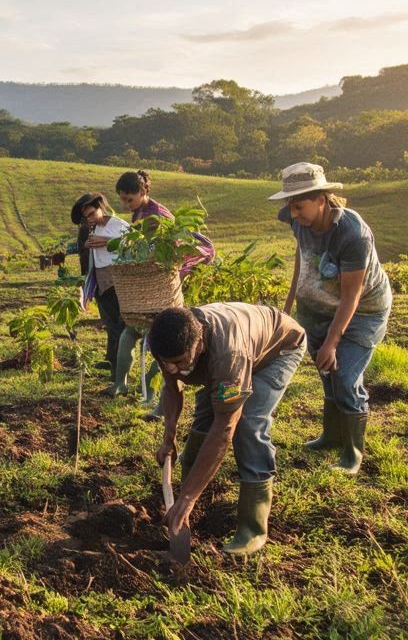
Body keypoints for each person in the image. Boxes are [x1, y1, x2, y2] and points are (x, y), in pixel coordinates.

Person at [151, 304, 305, 556]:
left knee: (247, 424)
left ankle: (252, 528)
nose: (171, 369)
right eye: (166, 363)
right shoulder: (164, 338)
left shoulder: (228, 355)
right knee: (204, 417)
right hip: (236, 348)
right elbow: (171, 388)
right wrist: (169, 437)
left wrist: (187, 499)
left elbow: (225, 428)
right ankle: (189, 492)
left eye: (178, 362)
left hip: (277, 350)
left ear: (199, 343)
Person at [271, 162, 392, 475]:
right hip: (316, 307)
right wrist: (286, 311)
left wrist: (333, 341)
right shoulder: (296, 218)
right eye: (290, 206)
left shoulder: (353, 235)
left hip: (362, 311)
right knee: (326, 372)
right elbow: (301, 256)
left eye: (299, 206)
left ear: (321, 199)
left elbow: (351, 296)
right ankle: (330, 437)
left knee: (345, 377)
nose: (293, 213)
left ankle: (353, 454)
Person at [115, 170, 217, 417]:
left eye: (129, 199)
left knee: (160, 344)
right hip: (144, 292)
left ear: (144, 192)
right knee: (129, 333)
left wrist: (180, 268)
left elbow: (188, 249)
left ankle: (156, 400)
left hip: (162, 292)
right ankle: (120, 384)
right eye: (122, 200)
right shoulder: (139, 214)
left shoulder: (160, 217)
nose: (125, 205)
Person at [71, 193, 131, 394]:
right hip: (101, 283)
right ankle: (114, 371)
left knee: (122, 329)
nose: (90, 218)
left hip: (119, 281)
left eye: (92, 213)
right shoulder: (90, 229)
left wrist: (108, 242)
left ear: (101, 207)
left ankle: (119, 377)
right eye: (86, 217)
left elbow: (132, 245)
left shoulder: (117, 224)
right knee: (111, 326)